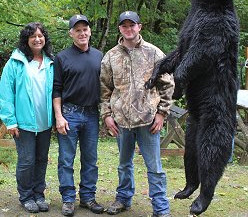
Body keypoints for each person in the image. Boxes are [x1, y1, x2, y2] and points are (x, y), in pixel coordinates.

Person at [100, 11, 175, 217]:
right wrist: (107, 115)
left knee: (155, 167)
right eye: (124, 26)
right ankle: (123, 198)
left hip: (148, 121)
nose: (129, 29)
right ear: (120, 29)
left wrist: (161, 113)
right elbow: (105, 89)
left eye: (132, 25)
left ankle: (160, 208)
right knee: (124, 165)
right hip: (121, 121)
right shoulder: (111, 56)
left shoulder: (154, 53)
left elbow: (168, 85)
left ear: (139, 26)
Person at [53, 14, 104, 216]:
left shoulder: (100, 56)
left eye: (85, 29)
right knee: (66, 158)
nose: (82, 33)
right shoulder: (62, 57)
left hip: (92, 114)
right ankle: (67, 199)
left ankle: (88, 197)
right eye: (77, 30)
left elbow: (108, 87)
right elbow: (56, 90)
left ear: (90, 31)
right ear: (71, 33)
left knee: (90, 159)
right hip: (69, 113)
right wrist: (59, 116)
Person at [0, 22, 54, 213]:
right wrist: (10, 121)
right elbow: (5, 93)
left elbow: (55, 92)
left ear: (44, 38)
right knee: (26, 160)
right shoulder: (15, 62)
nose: (37, 39)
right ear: (27, 40)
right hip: (22, 123)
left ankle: (39, 194)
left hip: (45, 122)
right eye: (33, 36)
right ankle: (26, 196)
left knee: (41, 159)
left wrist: (55, 118)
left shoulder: (50, 62)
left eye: (40, 35)